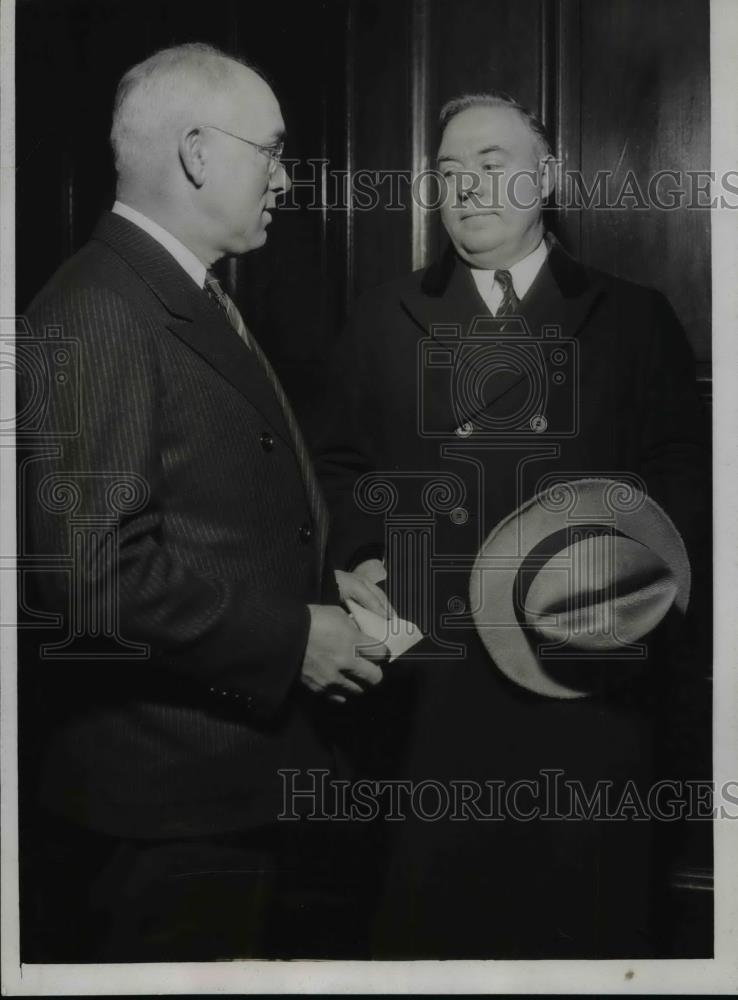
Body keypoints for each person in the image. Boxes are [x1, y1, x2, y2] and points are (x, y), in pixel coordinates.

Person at [317, 92, 710, 958]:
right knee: (438, 933)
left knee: (578, 933)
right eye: (449, 173)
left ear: (549, 177)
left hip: (583, 684)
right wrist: (364, 555)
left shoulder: (634, 317)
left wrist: (616, 588)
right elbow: (339, 467)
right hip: (430, 689)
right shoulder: (383, 317)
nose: (467, 189)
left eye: (491, 166)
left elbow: (687, 484)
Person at [18, 42, 389, 962]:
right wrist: (297, 639)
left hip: (222, 796)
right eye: (270, 150)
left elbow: (209, 515)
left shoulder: (177, 292)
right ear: (195, 153)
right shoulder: (101, 309)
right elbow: (89, 577)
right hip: (167, 815)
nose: (286, 180)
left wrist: (326, 584)